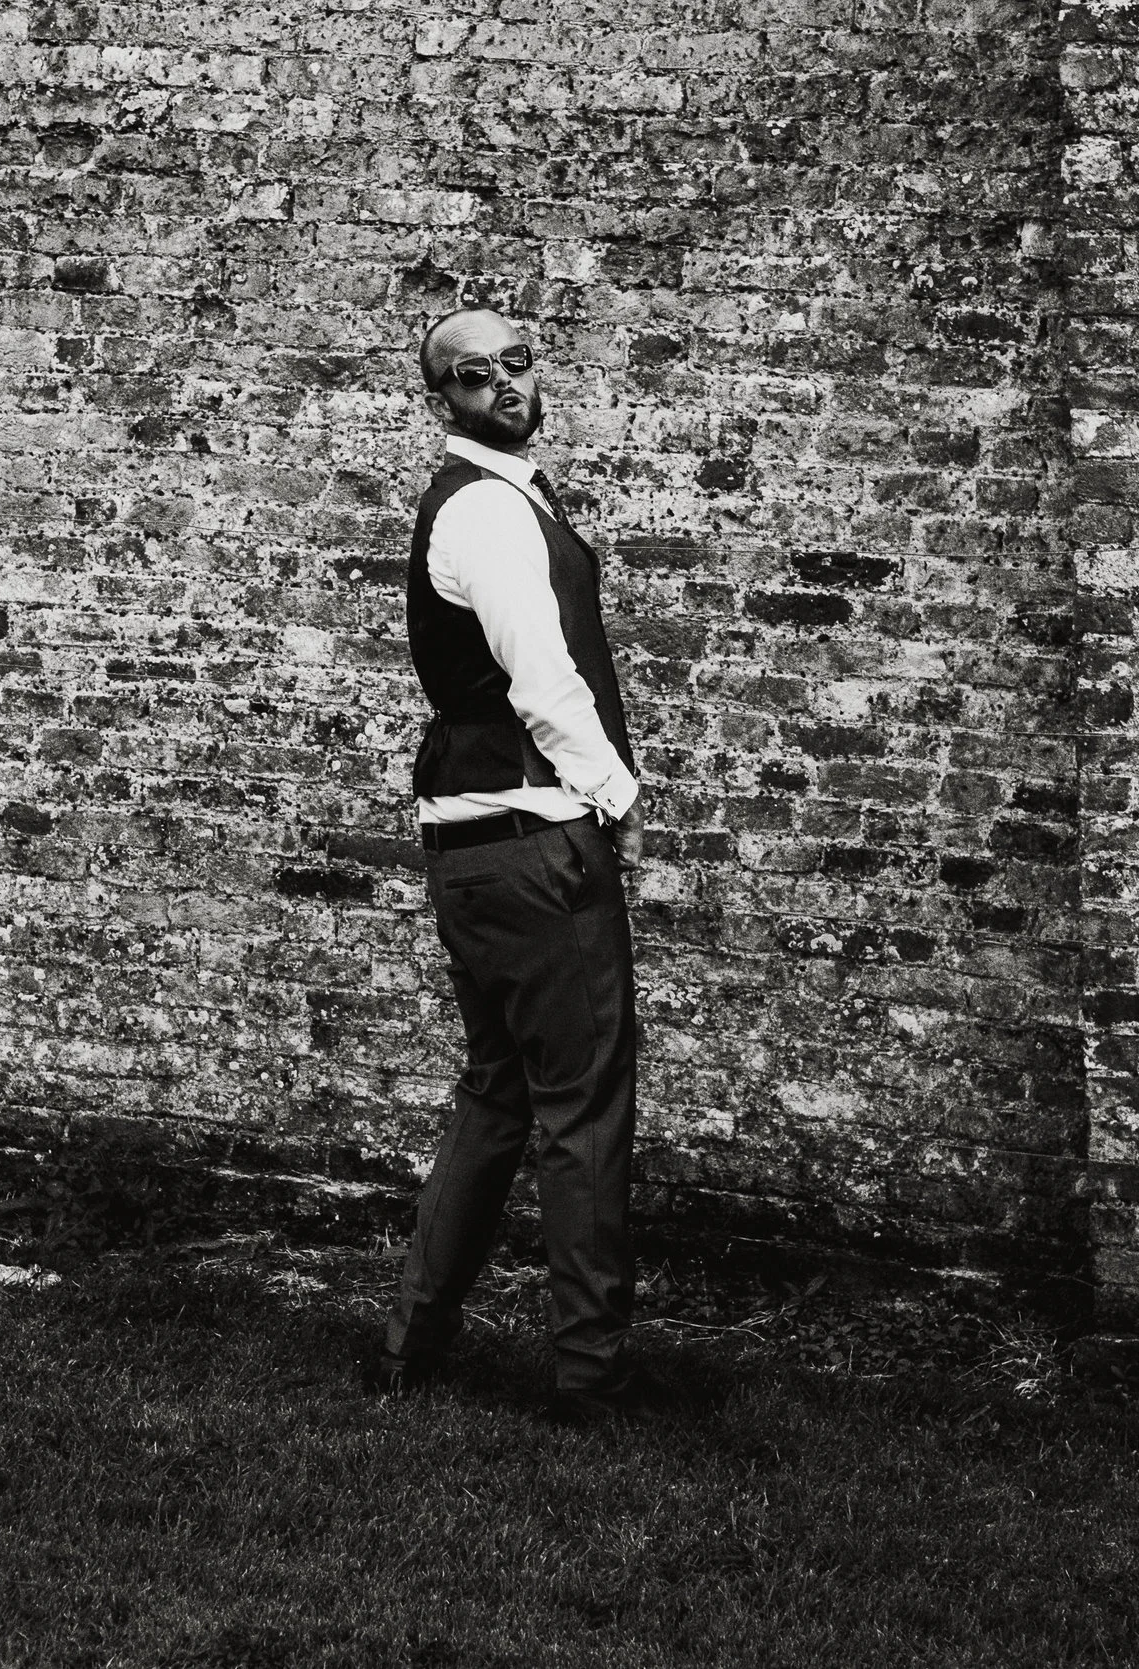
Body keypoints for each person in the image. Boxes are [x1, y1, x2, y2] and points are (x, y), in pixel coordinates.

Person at [366, 306, 659, 1421]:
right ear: (439, 396)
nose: (505, 387)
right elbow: (540, 679)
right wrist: (620, 798)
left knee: (497, 1095)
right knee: (581, 1112)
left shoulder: (495, 494)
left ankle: (407, 1352)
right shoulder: (487, 508)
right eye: (473, 375)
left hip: (475, 849)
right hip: (535, 846)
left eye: (518, 365)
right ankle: (590, 1380)